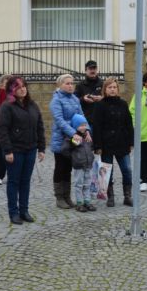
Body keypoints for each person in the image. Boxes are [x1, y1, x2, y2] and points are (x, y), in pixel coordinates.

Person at [0, 77, 46, 225]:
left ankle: (24, 210)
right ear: (12, 90)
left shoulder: (32, 105)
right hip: (15, 150)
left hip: (30, 148)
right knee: (13, 182)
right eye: (18, 87)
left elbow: (40, 126)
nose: (22, 89)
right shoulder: (7, 106)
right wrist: (8, 151)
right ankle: (13, 212)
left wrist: (41, 148)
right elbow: (2, 130)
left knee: (25, 181)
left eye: (24, 86)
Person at [92, 77, 134, 207]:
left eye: (114, 87)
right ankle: (110, 196)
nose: (112, 90)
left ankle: (127, 196)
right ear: (105, 89)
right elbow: (97, 126)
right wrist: (97, 146)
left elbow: (128, 123)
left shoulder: (123, 103)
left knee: (127, 169)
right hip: (106, 144)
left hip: (122, 142)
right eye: (110, 87)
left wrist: (131, 141)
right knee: (107, 171)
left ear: (118, 89)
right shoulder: (100, 105)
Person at [50, 73, 86, 209]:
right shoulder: (56, 100)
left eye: (72, 83)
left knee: (69, 167)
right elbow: (60, 121)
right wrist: (73, 133)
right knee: (60, 167)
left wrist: (86, 130)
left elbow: (81, 116)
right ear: (60, 85)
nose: (71, 85)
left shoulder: (75, 99)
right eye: (67, 83)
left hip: (74, 139)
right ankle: (59, 197)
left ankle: (67, 196)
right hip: (61, 139)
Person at [61, 114, 95, 212]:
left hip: (88, 164)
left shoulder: (87, 135)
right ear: (75, 126)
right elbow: (64, 149)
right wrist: (73, 156)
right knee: (79, 184)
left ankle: (87, 201)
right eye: (81, 125)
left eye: (85, 125)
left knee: (87, 184)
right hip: (79, 165)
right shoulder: (73, 137)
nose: (83, 127)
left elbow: (90, 147)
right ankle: (79, 203)